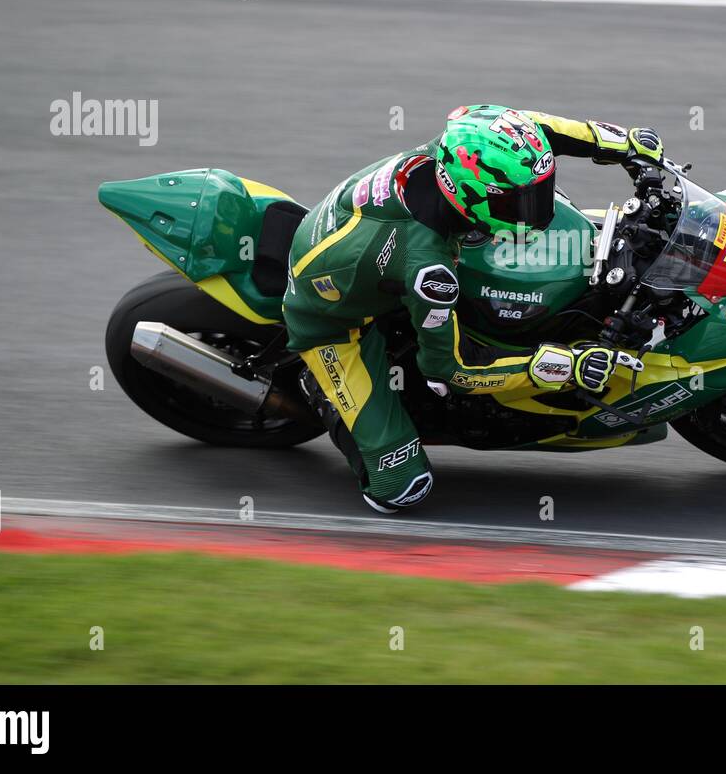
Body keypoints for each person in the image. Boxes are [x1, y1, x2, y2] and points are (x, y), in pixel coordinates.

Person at [283, 105, 663, 512]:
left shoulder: (463, 149)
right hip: (332, 321)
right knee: (401, 488)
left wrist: (623, 144)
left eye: (537, 192)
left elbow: (539, 129)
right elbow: (451, 370)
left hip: (366, 245)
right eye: (519, 203)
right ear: (473, 198)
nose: (535, 210)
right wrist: (563, 366)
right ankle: (317, 385)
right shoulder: (429, 272)